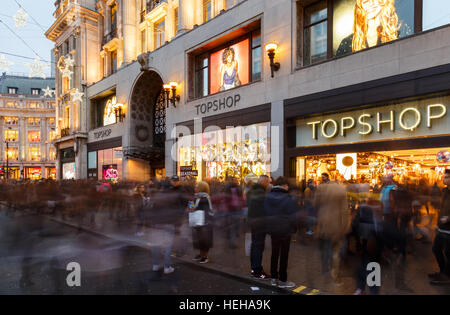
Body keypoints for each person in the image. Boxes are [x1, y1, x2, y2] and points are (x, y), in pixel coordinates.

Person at [314, 173, 350, 284]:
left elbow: (315, 204)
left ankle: (325, 270)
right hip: (336, 225)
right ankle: (334, 274)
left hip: (322, 223)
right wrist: (345, 227)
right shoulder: (341, 190)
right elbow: (344, 211)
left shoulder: (320, 188)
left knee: (324, 248)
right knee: (335, 251)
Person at [264, 177, 299, 288]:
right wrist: (294, 229)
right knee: (284, 255)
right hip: (285, 230)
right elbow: (293, 216)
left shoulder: (268, 196)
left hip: (273, 229)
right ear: (284, 185)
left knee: (274, 254)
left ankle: (274, 278)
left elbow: (265, 213)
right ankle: (283, 280)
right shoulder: (288, 198)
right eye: (287, 185)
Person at [336, 0, 400, 57]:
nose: (370, 4)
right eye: (366, 1)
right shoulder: (347, 43)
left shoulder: (396, 35)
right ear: (360, 5)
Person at [247, 175, 271, 280]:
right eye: (267, 182)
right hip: (259, 223)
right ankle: (257, 270)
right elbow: (264, 209)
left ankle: (254, 268)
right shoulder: (261, 193)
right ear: (264, 182)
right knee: (258, 246)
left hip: (253, 221)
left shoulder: (252, 191)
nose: (268, 185)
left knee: (254, 245)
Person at [429, 169, 450, 285]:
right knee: (436, 249)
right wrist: (437, 224)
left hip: (449, 229)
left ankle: (446, 276)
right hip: (442, 227)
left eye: (447, 177)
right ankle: (443, 272)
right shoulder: (445, 191)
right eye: (444, 177)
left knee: (448, 253)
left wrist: (448, 218)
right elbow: (442, 208)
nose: (444, 179)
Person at [190, 181, 214, 264]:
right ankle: (200, 254)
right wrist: (191, 205)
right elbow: (191, 207)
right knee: (198, 239)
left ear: (201, 188)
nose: (195, 188)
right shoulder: (195, 197)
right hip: (197, 221)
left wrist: (207, 222)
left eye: (196, 187)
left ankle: (205, 256)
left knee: (205, 239)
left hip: (205, 222)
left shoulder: (206, 198)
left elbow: (208, 210)